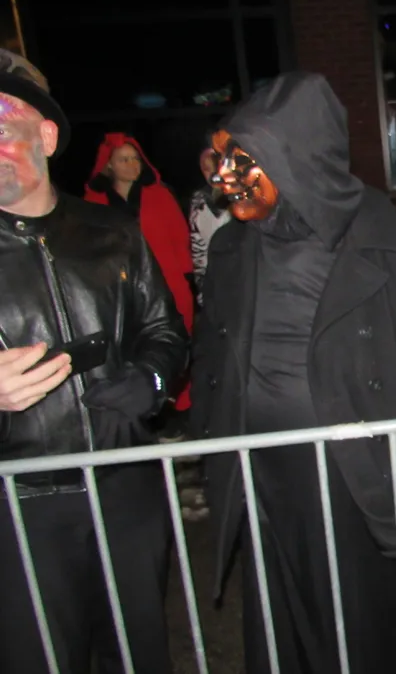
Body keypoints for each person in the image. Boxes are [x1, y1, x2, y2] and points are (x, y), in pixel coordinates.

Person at [192, 71, 396, 674]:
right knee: (278, 634)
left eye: (244, 159)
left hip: (355, 477)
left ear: (296, 157)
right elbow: (213, 352)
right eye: (223, 159)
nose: (225, 178)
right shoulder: (230, 248)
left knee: (359, 636)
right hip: (256, 474)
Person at [0, 49, 188, 673]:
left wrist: (150, 382)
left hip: (124, 491)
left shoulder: (113, 233)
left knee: (137, 654)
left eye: (3, 126)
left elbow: (166, 331)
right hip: (20, 508)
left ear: (47, 137)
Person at [84, 133, 195, 428]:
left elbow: (180, 238)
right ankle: (137, 411)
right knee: (130, 348)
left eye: (136, 159)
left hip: (168, 284)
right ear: (109, 165)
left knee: (175, 343)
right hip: (119, 291)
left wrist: (186, 279)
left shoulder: (159, 195)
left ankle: (178, 411)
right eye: (124, 159)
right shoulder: (94, 202)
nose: (132, 165)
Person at [189, 146, 231, 307]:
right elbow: (198, 251)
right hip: (215, 286)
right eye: (206, 169)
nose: (212, 173)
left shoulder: (241, 199)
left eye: (215, 165)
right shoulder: (198, 203)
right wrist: (202, 293)